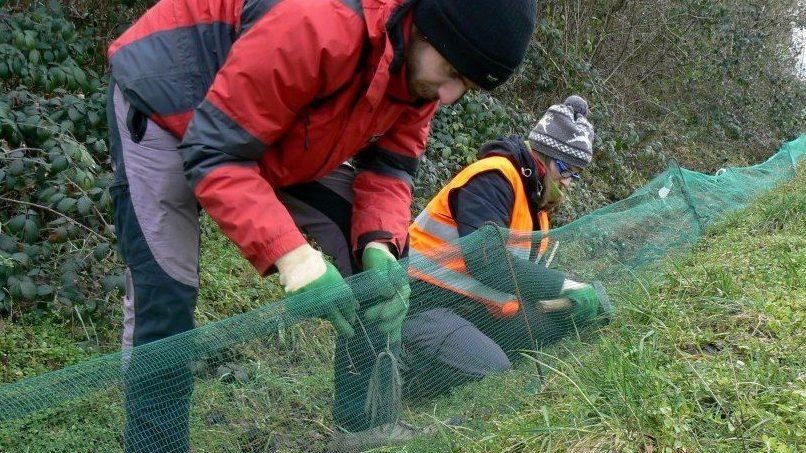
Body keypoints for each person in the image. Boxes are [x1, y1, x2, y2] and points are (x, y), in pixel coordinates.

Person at [105, 0, 539, 451]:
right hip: (166, 102)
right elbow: (214, 152)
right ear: (421, 27)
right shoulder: (317, 20)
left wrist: (378, 244)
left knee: (377, 267)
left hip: (271, 122)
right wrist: (293, 259)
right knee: (166, 294)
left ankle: (364, 428)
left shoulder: (420, 70)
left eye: (464, 85)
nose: (448, 95)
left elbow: (391, 167)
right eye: (449, 70)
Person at [403, 95, 613, 398]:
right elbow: (488, 264)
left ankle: (460, 346)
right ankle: (411, 368)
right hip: (420, 301)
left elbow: (518, 276)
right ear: (543, 156)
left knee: (551, 330)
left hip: (470, 305)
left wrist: (560, 300)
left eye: (576, 175)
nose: (568, 182)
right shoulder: (493, 178)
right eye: (566, 169)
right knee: (493, 368)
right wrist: (565, 286)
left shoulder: (534, 203)